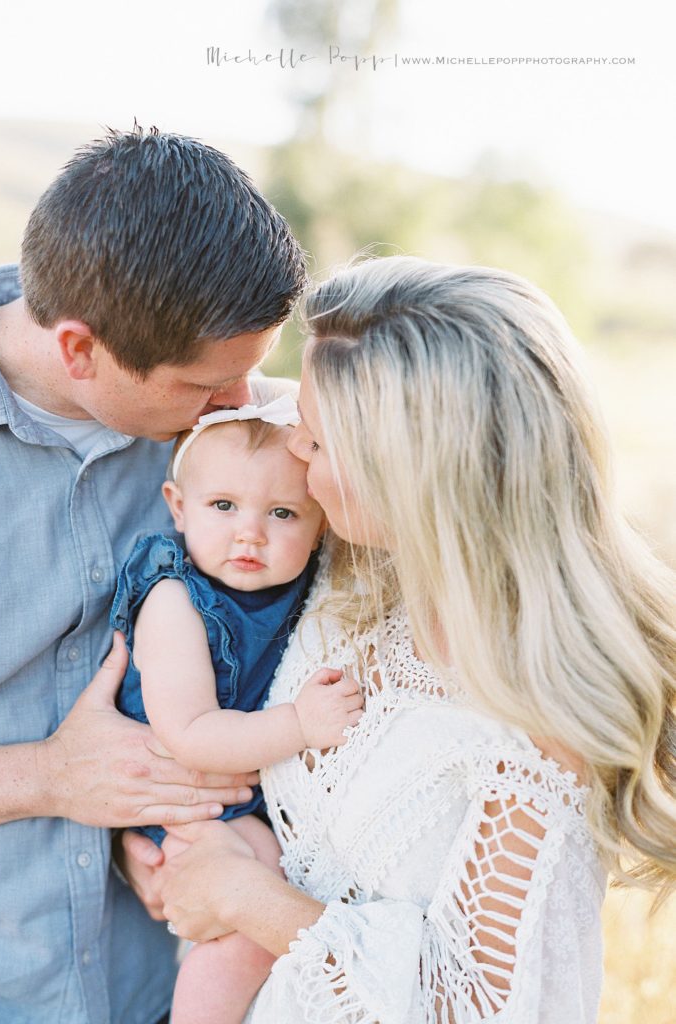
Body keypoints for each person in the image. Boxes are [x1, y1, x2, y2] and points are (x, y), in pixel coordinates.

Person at [136, 256, 676, 1023]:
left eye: (316, 443)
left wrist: (242, 895)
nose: (292, 452)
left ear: (408, 475)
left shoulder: (537, 722)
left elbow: (478, 1007)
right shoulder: (355, 581)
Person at [0, 126, 308, 1024]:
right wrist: (50, 777)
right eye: (206, 386)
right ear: (80, 349)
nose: (243, 405)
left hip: (164, 983)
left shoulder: (213, 432)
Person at [111, 379, 363, 1024]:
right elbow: (190, 733)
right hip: (182, 791)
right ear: (178, 506)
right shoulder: (174, 600)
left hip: (236, 790)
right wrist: (300, 725)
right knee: (252, 922)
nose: (250, 534)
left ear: (321, 526)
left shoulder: (306, 576)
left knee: (272, 901)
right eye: (223, 505)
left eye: (282, 513)